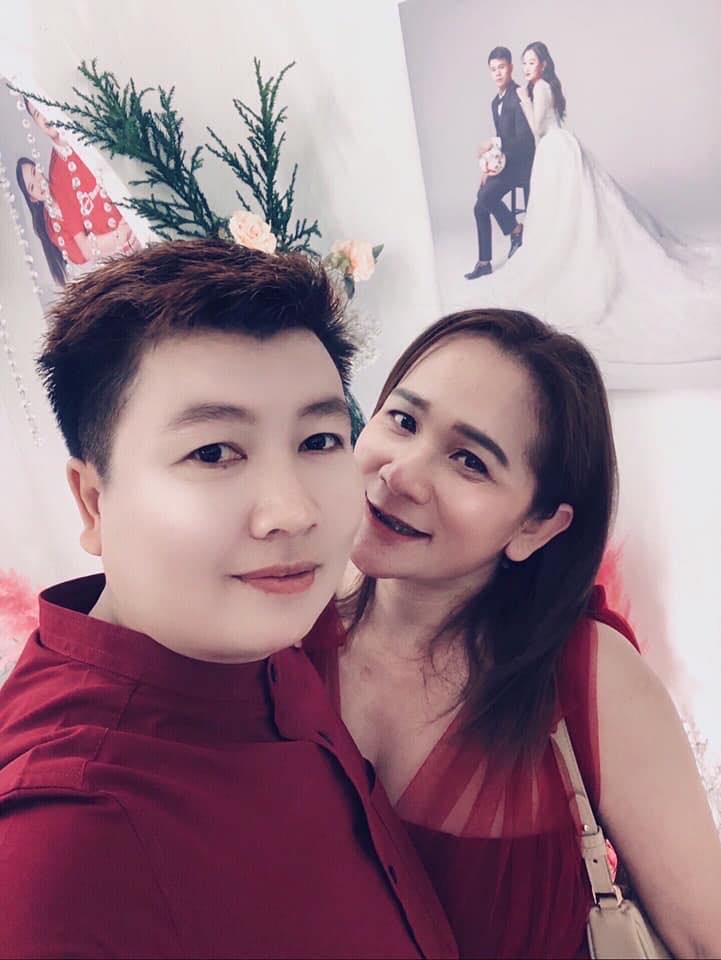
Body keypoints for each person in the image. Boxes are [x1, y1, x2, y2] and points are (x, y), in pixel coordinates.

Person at [0, 239, 457, 960]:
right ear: (93, 502)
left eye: (318, 440)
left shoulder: (260, 637)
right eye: (213, 453)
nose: (293, 513)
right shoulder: (62, 841)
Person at [304, 308, 721, 958]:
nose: (400, 474)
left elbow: (705, 937)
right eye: (403, 421)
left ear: (536, 527)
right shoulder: (285, 626)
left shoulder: (587, 676)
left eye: (468, 461)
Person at [476, 42, 720, 365]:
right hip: (554, 149)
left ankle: (568, 245)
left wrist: (524, 99)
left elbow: (536, 129)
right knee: (564, 208)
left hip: (556, 149)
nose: (527, 68)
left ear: (544, 65)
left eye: (531, 62)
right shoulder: (539, 87)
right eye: (524, 63)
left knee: (572, 207)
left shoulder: (541, 88)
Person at [15, 98, 139, 285]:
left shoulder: (81, 132)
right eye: (36, 114)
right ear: (32, 198)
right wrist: (120, 237)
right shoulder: (58, 184)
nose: (38, 182)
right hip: (116, 260)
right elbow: (86, 250)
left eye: (34, 172)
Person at [465, 47, 535, 280]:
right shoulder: (495, 102)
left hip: (522, 165)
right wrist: (489, 168)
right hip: (505, 164)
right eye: (493, 69)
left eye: (501, 67)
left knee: (485, 196)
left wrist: (492, 142)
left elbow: (525, 141)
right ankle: (484, 262)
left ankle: (516, 229)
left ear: (511, 68)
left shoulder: (519, 95)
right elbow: (501, 142)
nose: (497, 73)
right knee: (479, 206)